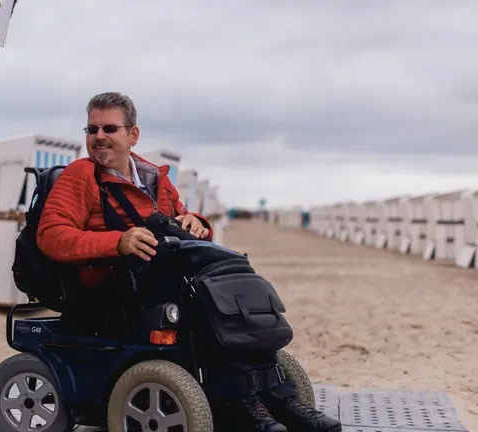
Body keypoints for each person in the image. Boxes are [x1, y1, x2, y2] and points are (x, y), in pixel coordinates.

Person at [36, 92, 341, 432]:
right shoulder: (81, 175)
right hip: (111, 280)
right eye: (92, 129)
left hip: (157, 272)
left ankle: (280, 397)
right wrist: (118, 242)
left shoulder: (153, 177)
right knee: (206, 303)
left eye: (110, 128)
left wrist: (197, 222)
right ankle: (239, 402)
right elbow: (51, 236)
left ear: (132, 135)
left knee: (234, 278)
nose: (99, 137)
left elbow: (177, 221)